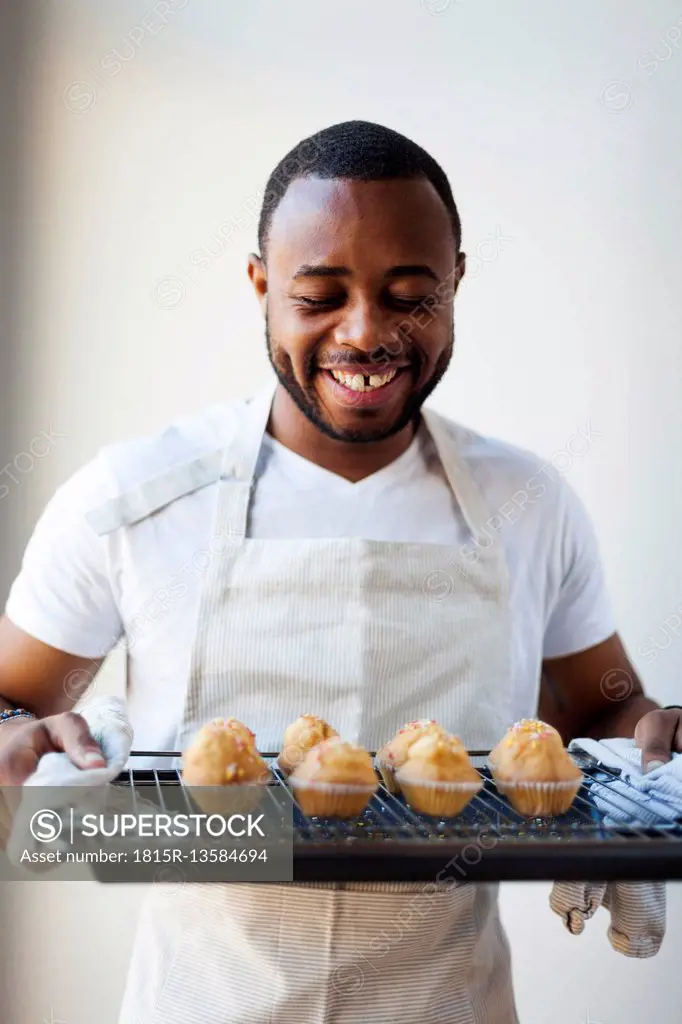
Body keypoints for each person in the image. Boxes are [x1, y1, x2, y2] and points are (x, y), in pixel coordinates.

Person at [0, 120, 677, 1024]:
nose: (365, 334)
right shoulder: (132, 499)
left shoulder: (530, 503)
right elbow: (17, 704)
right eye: (319, 295)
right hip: (203, 1002)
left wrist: (656, 749)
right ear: (259, 287)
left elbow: (600, 712)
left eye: (411, 295)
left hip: (452, 1003)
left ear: (457, 285)